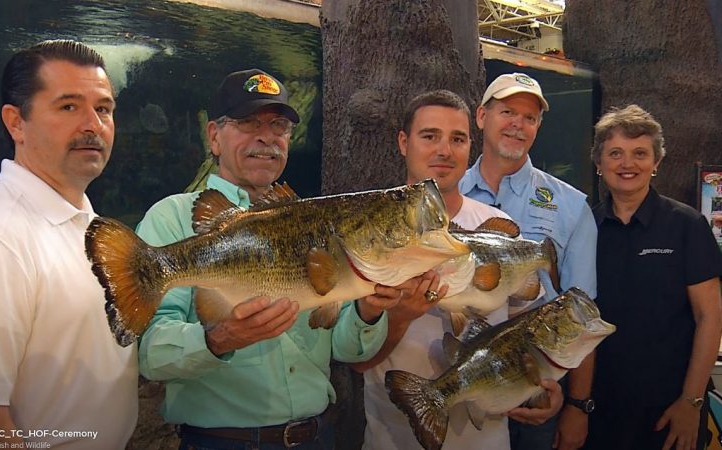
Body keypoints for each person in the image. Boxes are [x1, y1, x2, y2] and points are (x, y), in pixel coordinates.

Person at [136, 68, 402, 450]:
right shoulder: (172, 219)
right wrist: (221, 338)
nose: (266, 137)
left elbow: (346, 349)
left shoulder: (314, 219)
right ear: (214, 136)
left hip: (317, 438)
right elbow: (150, 356)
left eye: (278, 125)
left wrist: (368, 311)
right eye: (247, 123)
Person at [353, 89, 563, 450]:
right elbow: (354, 361)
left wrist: (546, 386)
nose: (444, 151)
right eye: (430, 136)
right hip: (393, 437)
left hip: (488, 438)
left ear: (470, 146)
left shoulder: (497, 225)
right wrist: (399, 318)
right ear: (404, 142)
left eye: (458, 139)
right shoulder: (368, 229)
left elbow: (529, 326)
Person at [0, 40, 138, 449]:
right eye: (68, 107)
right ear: (16, 122)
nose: (93, 124)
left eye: (104, 109)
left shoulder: (90, 226)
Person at [457, 73, 598, 450]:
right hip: (464, 378)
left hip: (537, 392)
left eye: (529, 117)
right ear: (481, 116)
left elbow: (584, 316)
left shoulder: (571, 206)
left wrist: (576, 406)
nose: (518, 125)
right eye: (507, 111)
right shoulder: (443, 198)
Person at [582, 104, 722, 450]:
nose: (627, 164)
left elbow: (710, 317)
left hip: (671, 411)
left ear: (656, 163)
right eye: (615, 153)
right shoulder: (584, 228)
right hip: (601, 410)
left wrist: (691, 403)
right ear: (599, 163)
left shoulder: (687, 226)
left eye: (640, 153)